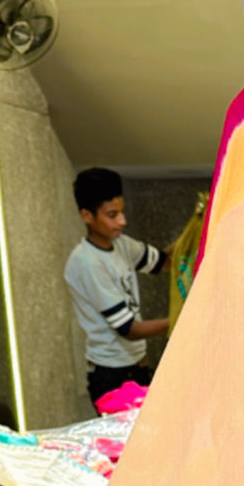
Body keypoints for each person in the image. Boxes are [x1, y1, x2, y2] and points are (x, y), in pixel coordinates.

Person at [65, 167, 170, 412]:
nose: (122, 221)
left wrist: (195, 230)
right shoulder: (88, 262)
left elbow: (163, 262)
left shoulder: (120, 244)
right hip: (111, 376)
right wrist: (178, 319)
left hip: (137, 366)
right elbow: (128, 329)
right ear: (87, 215)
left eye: (122, 212)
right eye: (112, 215)